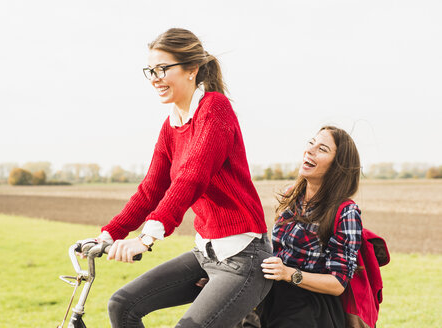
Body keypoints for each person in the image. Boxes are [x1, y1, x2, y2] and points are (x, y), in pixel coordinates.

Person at [84, 28, 272, 328]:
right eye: (150, 71)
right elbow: (150, 190)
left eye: (162, 69)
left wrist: (147, 239)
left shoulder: (215, 109)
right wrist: (108, 234)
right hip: (206, 253)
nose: (155, 78)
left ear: (191, 69)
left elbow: (191, 178)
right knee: (122, 305)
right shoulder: (171, 125)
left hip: (243, 258)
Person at [259, 126, 363, 328]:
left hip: (311, 308)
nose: (310, 150)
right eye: (311, 143)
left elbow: (338, 283)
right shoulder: (292, 195)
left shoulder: (346, 212)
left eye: (322, 149)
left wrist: (289, 274)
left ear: (338, 165)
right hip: (273, 295)